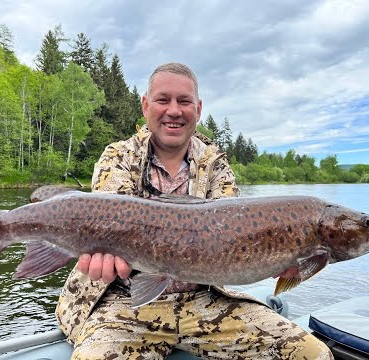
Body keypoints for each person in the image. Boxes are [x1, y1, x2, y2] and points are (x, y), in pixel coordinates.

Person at [55, 62, 333, 359]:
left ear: (198, 110)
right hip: (123, 302)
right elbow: (106, 220)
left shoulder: (216, 164)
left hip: (205, 298)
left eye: (184, 101)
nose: (174, 110)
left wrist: (279, 258)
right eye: (163, 100)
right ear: (146, 105)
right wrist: (101, 255)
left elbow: (233, 236)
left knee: (312, 354)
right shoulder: (118, 157)